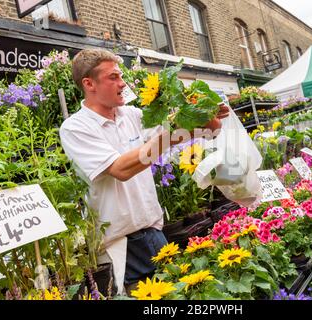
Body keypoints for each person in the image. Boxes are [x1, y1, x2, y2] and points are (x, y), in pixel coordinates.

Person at [59, 48, 229, 297]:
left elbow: (191, 134)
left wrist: (206, 116)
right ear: (89, 83)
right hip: (122, 246)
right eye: (113, 77)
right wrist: (168, 137)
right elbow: (120, 169)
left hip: (155, 234)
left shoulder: (134, 115)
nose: (122, 83)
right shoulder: (75, 128)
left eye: (121, 76)